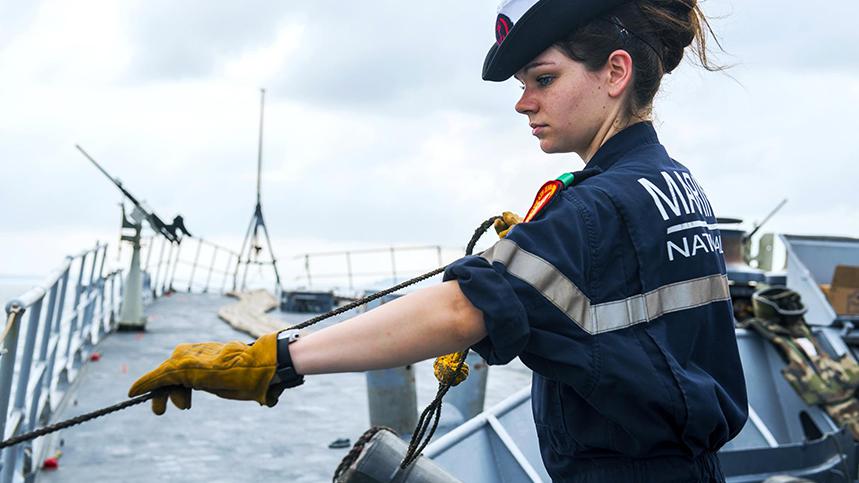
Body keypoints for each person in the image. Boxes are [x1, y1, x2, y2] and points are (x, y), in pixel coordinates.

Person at [129, 0, 748, 481]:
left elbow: (458, 308)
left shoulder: (598, 204)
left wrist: (277, 359)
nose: (523, 102)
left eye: (543, 77)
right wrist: (541, 272)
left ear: (615, 72)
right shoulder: (671, 183)